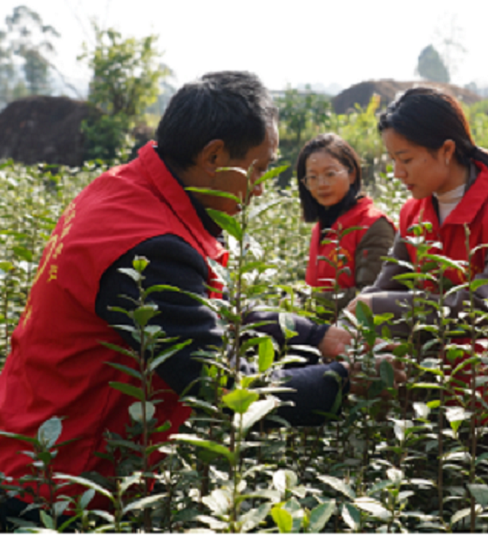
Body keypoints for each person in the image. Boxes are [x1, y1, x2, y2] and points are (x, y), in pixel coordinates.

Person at [0, 71, 381, 521]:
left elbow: (198, 312)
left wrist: (318, 336)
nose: (260, 188)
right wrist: (342, 379)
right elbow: (220, 387)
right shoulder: (147, 244)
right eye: (258, 169)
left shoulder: (122, 190)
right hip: (62, 483)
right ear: (214, 156)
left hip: (33, 437)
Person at [346, 86, 488, 437]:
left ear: (447, 150)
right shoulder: (414, 212)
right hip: (440, 394)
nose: (397, 172)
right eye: (392, 160)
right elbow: (386, 284)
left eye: (405, 159)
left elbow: (487, 308)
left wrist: (378, 307)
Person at [297, 133, 395, 314]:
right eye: (312, 177)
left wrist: (306, 301)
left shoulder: (373, 225)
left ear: (352, 175)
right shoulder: (322, 227)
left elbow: (372, 296)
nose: (321, 184)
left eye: (330, 174)